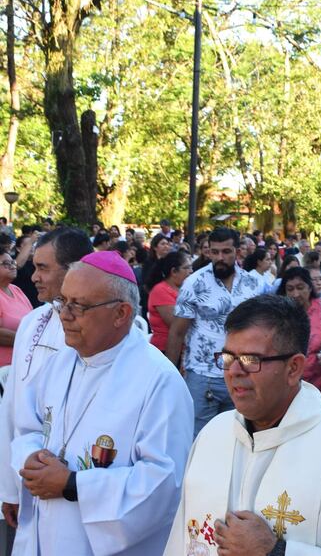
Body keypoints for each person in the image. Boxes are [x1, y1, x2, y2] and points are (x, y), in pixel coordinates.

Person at [164, 295, 321, 556]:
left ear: (293, 368)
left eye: (249, 359)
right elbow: (182, 536)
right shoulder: (213, 434)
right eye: (227, 357)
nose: (233, 371)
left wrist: (276, 551)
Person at [11, 251, 193, 555]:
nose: (64, 315)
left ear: (121, 313)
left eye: (78, 306)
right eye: (62, 301)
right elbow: (28, 426)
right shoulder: (58, 362)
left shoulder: (159, 381)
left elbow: (163, 484)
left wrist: (72, 484)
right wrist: (30, 459)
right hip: (45, 532)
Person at [0, 228, 93, 546]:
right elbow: (12, 407)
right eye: (34, 266)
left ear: (75, 269)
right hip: (24, 466)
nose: (33, 276)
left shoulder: (96, 328)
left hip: (66, 477)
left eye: (43, 268)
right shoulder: (33, 321)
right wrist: (9, 487)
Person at [166, 228, 269, 436]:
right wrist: (170, 374)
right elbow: (177, 332)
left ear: (238, 251)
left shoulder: (254, 284)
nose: (220, 257)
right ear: (208, 252)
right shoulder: (194, 283)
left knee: (238, 437)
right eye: (215, 252)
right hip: (203, 375)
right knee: (199, 438)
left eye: (226, 251)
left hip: (243, 372)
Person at [277, 268, 321, 410]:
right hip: (290, 392)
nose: (295, 294)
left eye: (300, 287)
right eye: (290, 289)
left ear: (310, 287)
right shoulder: (280, 314)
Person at [147, 251, 193, 354]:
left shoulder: (184, 289)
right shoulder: (160, 291)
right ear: (174, 271)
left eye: (191, 267)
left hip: (184, 348)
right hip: (165, 350)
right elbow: (176, 325)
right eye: (187, 268)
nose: (191, 271)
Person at [0, 252, 32, 366]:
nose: (13, 266)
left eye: (12, 262)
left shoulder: (16, 289)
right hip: (4, 370)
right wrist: (29, 340)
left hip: (22, 364)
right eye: (6, 264)